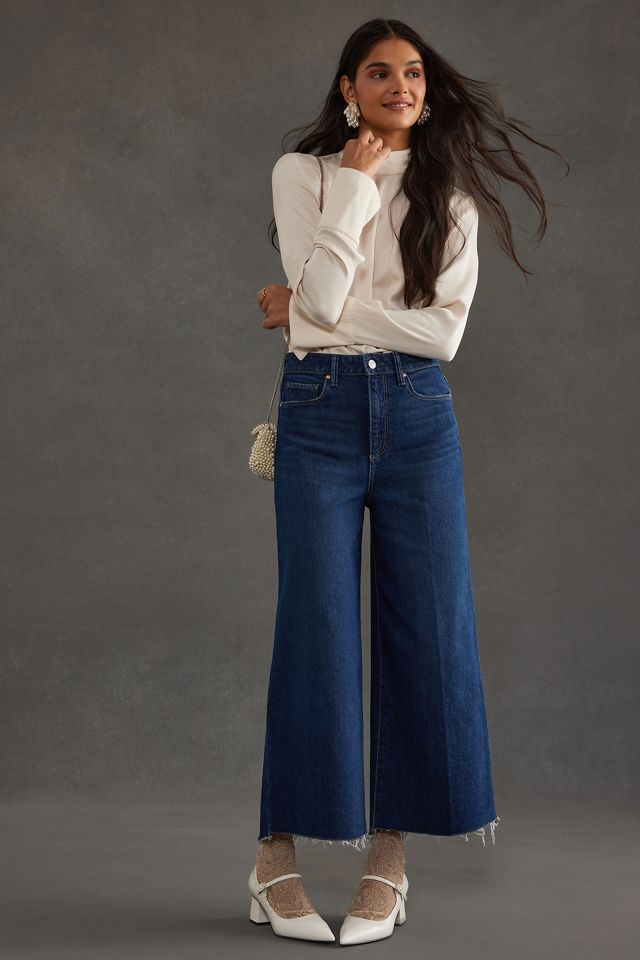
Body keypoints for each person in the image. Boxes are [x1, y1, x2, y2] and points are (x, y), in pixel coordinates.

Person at [249, 17, 568, 946]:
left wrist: (316, 313)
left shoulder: (449, 196)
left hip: (420, 415)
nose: (402, 85)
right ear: (349, 89)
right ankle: (273, 862)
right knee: (314, 626)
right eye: (380, 72)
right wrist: (352, 189)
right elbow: (317, 305)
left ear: (427, 92)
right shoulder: (304, 175)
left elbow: (441, 336)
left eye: (415, 72)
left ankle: (389, 860)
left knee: (427, 626)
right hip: (319, 412)